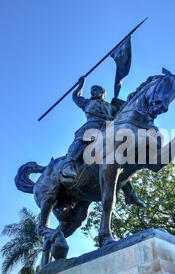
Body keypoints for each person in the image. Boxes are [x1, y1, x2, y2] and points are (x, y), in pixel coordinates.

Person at [62, 76, 145, 208]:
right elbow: (75, 97)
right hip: (92, 126)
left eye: (97, 90)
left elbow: (123, 111)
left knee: (117, 160)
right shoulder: (87, 103)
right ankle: (69, 164)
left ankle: (129, 192)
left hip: (108, 128)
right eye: (92, 90)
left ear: (103, 93)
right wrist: (80, 85)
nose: (93, 91)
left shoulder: (110, 106)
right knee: (80, 140)